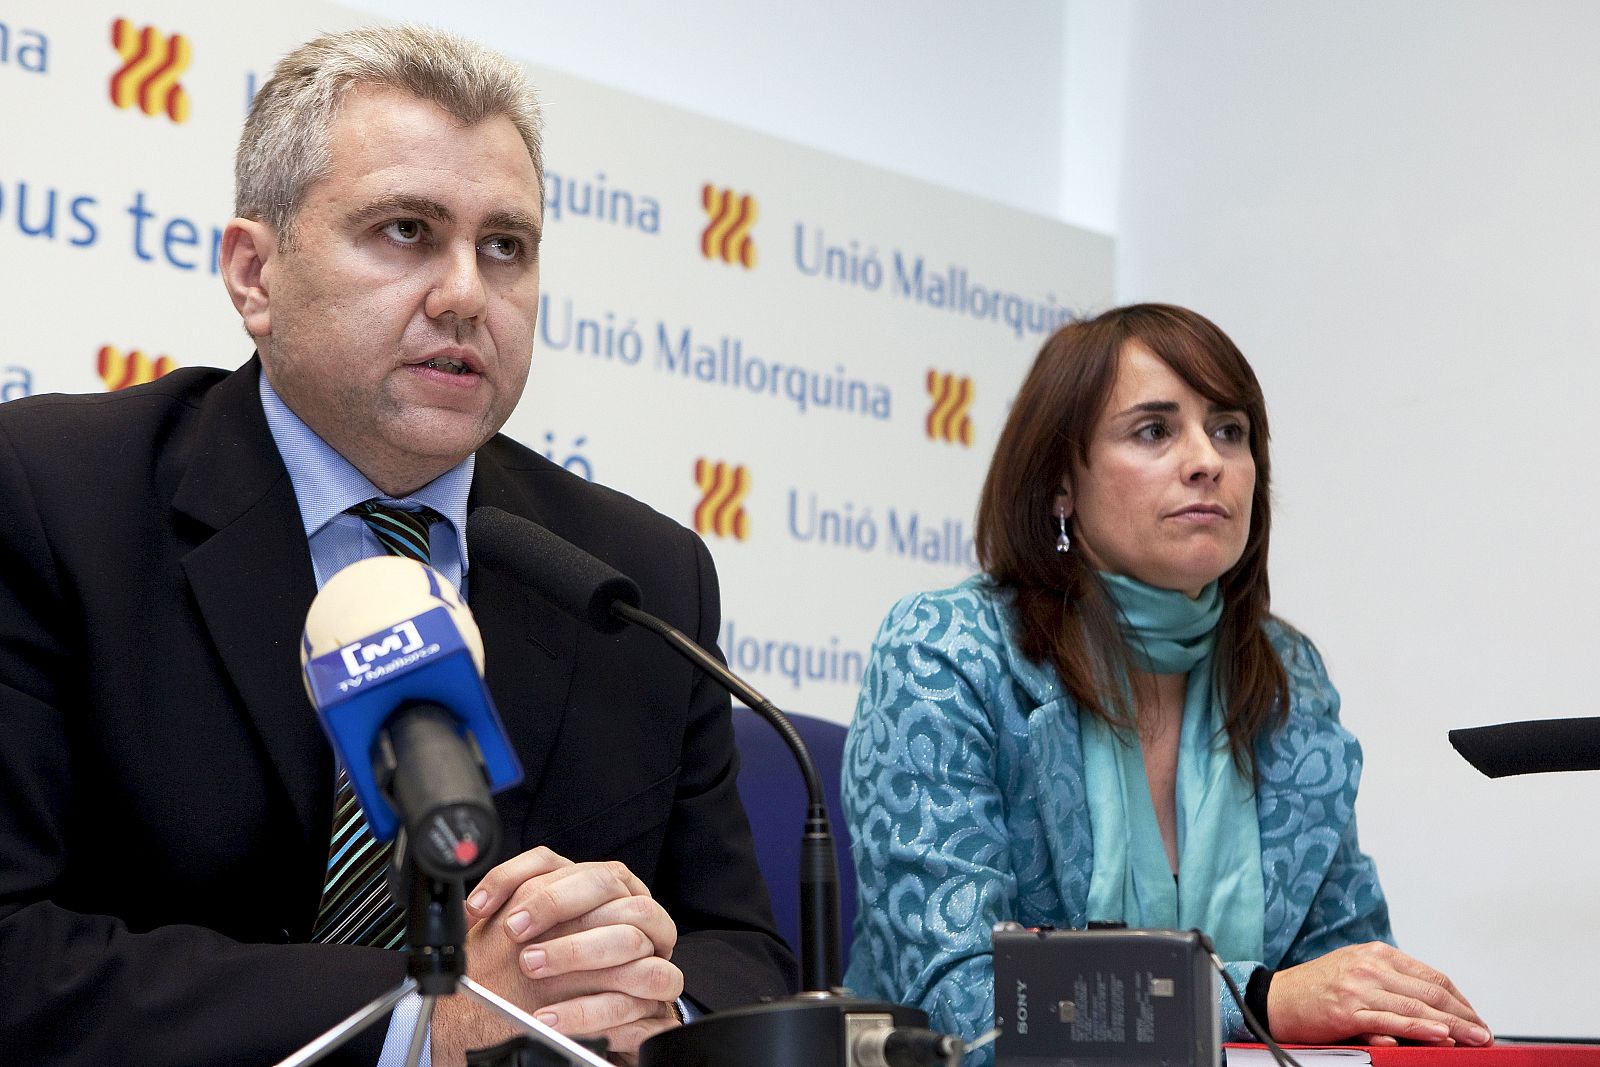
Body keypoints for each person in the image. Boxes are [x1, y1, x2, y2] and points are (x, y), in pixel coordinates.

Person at [0, 25, 793, 1067]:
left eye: (505, 245)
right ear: (253, 274)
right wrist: (425, 1013)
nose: (467, 291)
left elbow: (740, 953)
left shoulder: (632, 577)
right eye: (407, 230)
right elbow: (16, 955)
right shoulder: (52, 496)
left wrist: (649, 994)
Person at [841, 304, 1490, 1059]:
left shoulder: (1288, 682)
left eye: (1230, 431)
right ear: (1061, 484)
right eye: (1154, 430)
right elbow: (956, 1003)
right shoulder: (948, 651)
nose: (1206, 460)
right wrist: (1255, 999)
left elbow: (1347, 968)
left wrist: (1394, 1014)